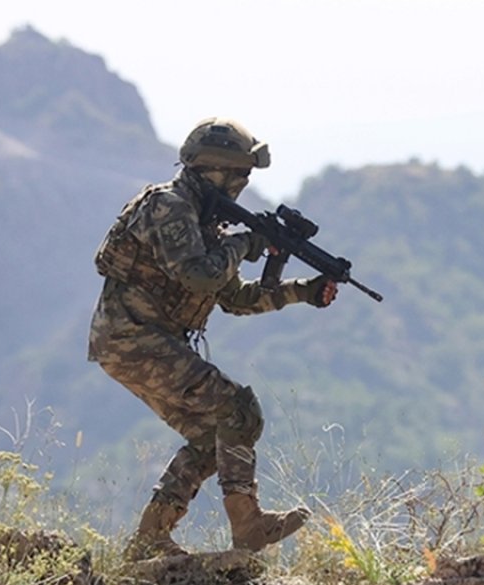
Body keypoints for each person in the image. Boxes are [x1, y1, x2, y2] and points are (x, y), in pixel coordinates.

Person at [88, 117, 337, 559]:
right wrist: (245, 244)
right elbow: (199, 276)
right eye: (240, 175)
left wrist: (304, 291)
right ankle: (248, 526)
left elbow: (236, 298)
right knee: (238, 411)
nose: (243, 184)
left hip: (137, 342)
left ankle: (149, 540)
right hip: (133, 338)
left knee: (212, 439)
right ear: (214, 171)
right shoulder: (170, 207)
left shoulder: (203, 223)